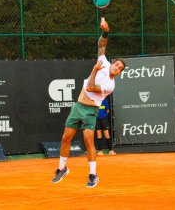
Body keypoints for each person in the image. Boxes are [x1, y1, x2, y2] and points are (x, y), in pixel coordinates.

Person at [51, 17, 125, 188]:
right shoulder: (105, 63)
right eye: (116, 64)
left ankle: (93, 175)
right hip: (78, 106)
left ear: (120, 73)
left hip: (91, 111)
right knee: (65, 137)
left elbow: (91, 88)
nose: (116, 67)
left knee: (88, 140)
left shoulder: (110, 85)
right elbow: (101, 46)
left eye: (119, 67)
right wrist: (106, 31)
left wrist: (94, 70)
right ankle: (61, 169)